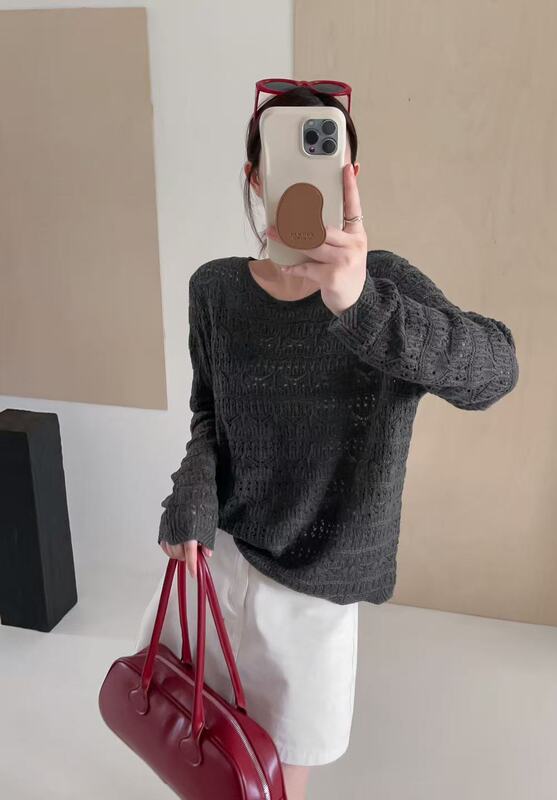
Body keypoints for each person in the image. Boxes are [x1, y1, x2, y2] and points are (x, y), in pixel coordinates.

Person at [134, 83, 519, 800]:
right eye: (280, 162)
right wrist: (191, 497)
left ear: (350, 176)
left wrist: (360, 304)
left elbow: (496, 371)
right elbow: (209, 417)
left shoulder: (385, 285)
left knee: (273, 783)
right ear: (255, 178)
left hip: (316, 592)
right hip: (221, 562)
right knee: (201, 754)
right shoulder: (215, 290)